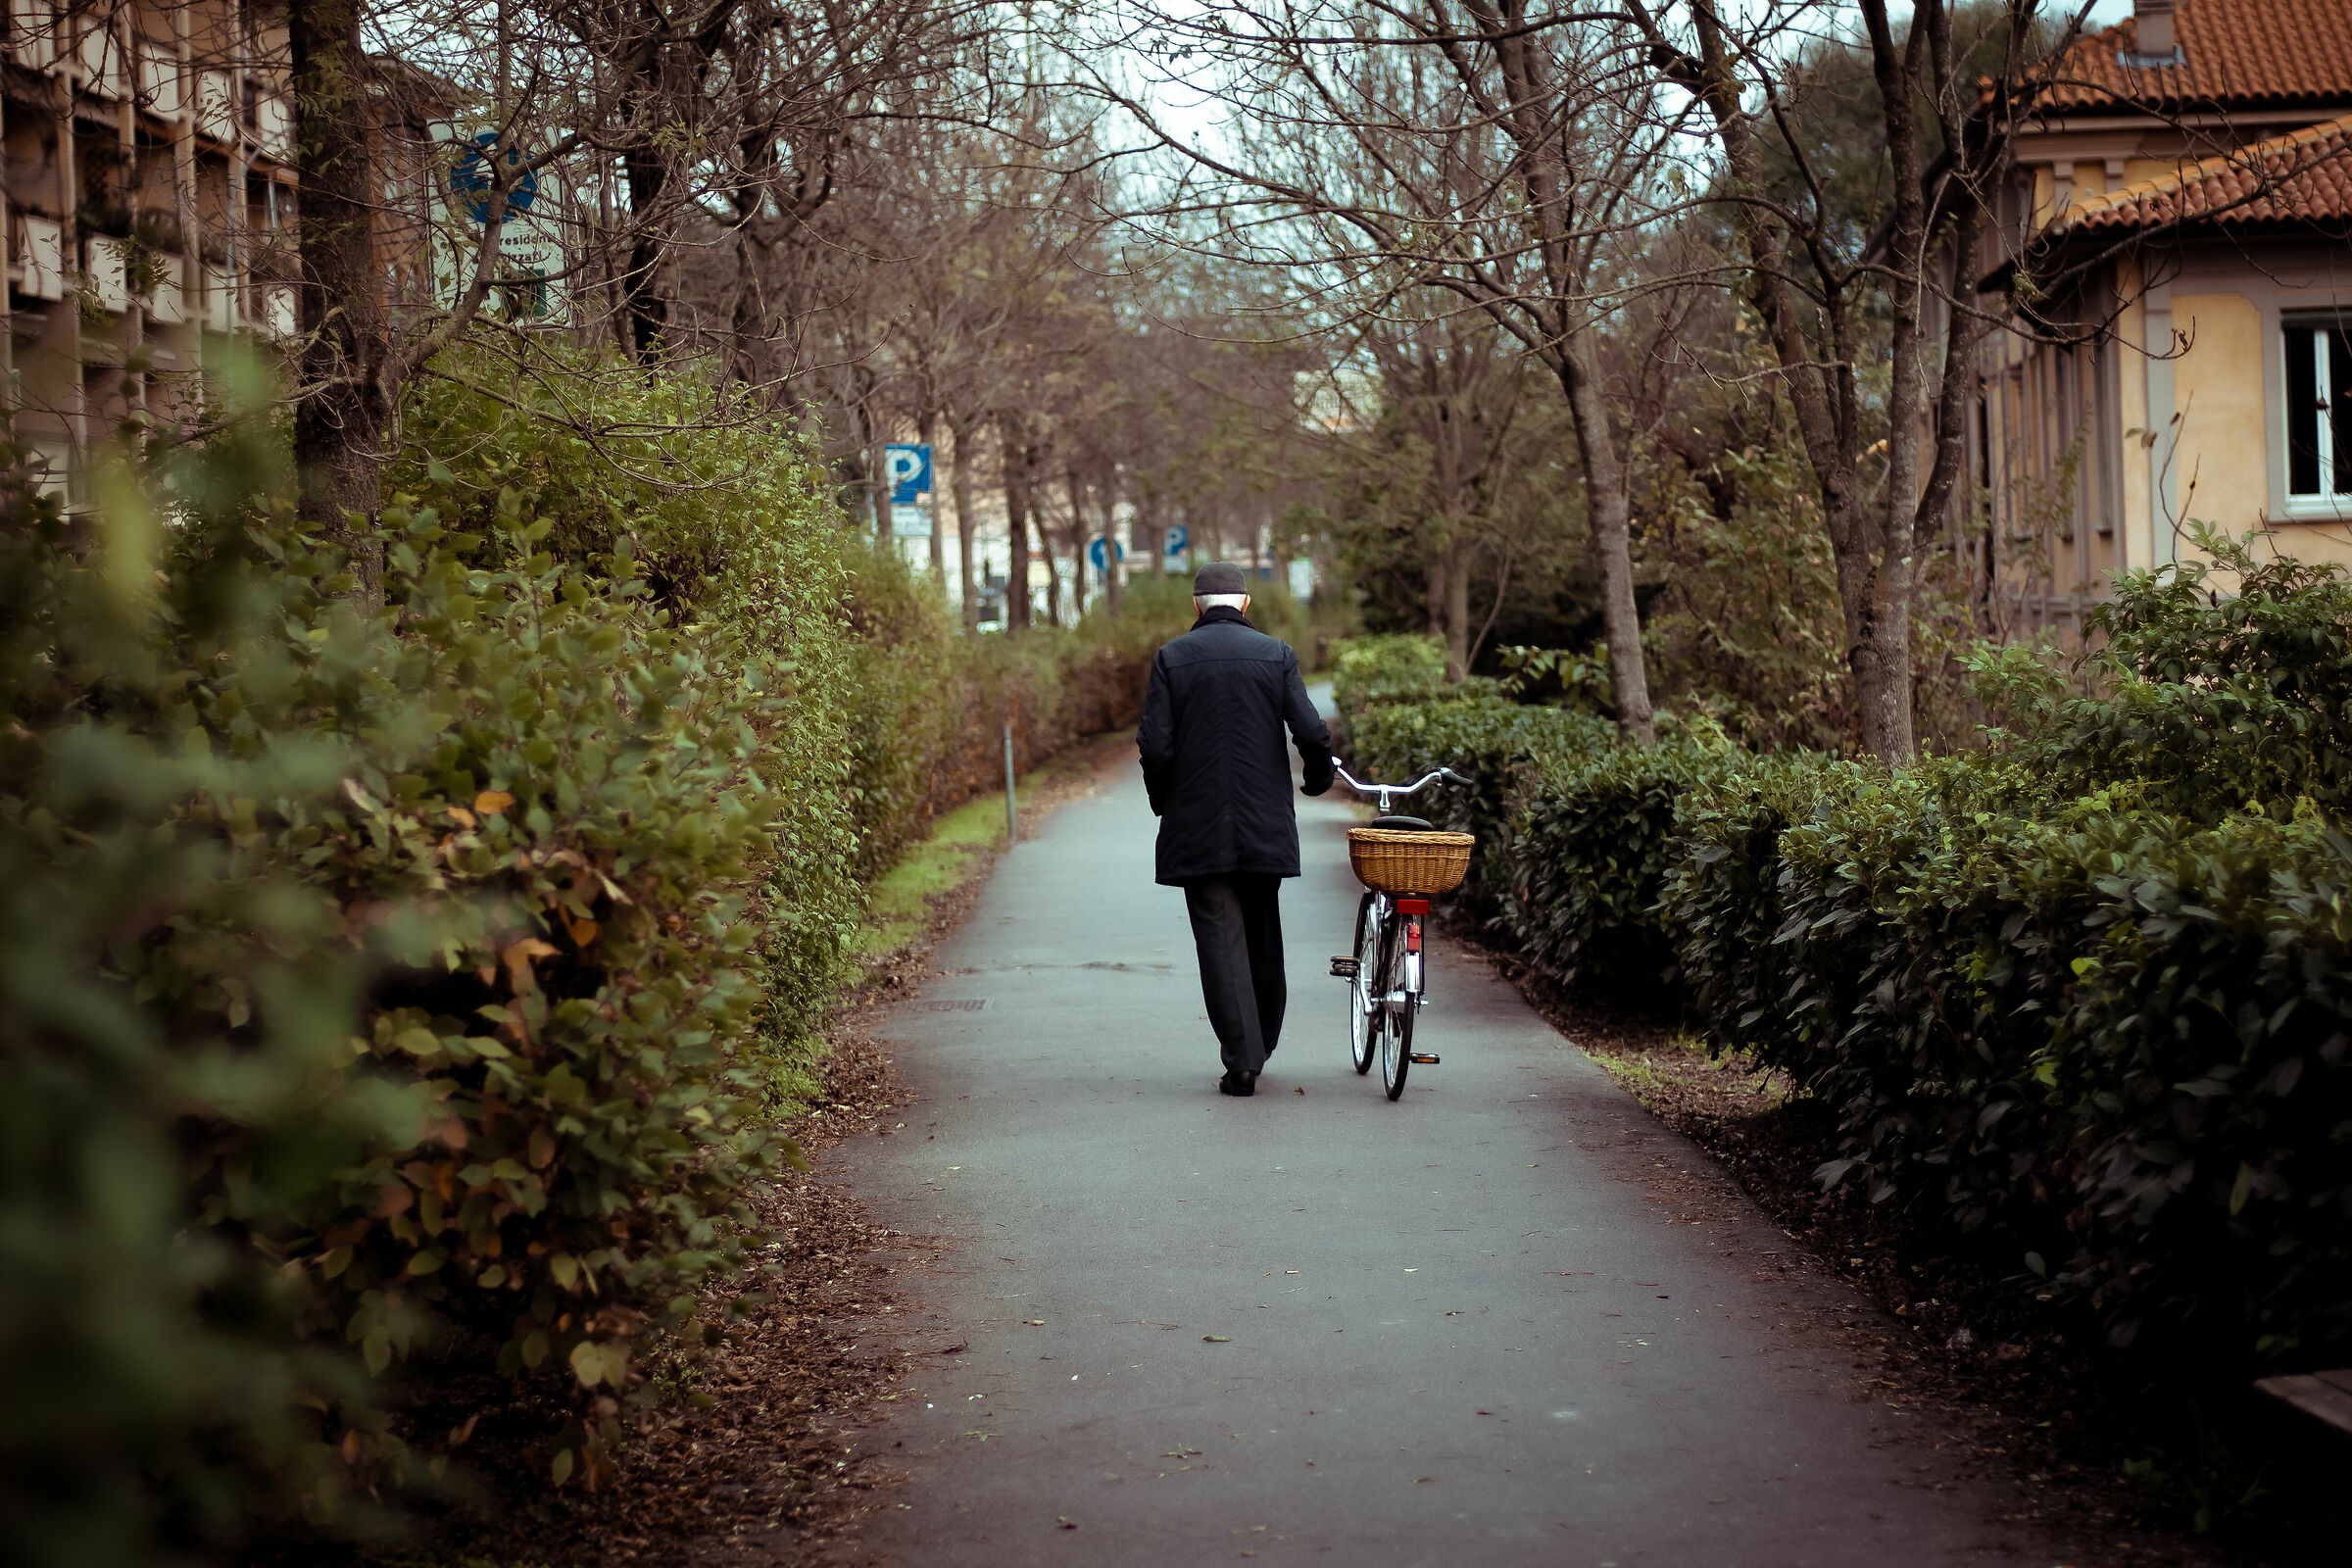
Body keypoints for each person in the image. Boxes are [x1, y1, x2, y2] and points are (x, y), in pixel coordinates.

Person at [1138, 562, 1335, 1097]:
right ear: (1245, 603)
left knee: (1219, 936)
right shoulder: (1277, 654)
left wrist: (1164, 800)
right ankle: (1261, 1040)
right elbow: (1311, 731)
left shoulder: (1172, 658)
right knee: (1262, 927)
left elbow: (1155, 745)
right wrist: (1317, 779)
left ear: (1196, 604)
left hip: (1197, 821)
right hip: (1264, 819)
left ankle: (1244, 1059)